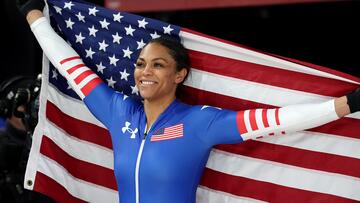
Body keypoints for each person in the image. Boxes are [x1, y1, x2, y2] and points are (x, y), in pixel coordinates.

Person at [17, 0, 360, 202]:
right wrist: (35, 17)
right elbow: (71, 67)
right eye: (140, 64)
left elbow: (275, 120)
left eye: (158, 64)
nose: (144, 73)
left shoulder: (199, 124)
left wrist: (346, 105)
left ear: (179, 75)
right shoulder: (119, 111)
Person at [0, 76, 54, 203]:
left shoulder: (53, 141)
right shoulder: (4, 151)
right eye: (22, 105)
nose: (29, 111)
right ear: (7, 110)